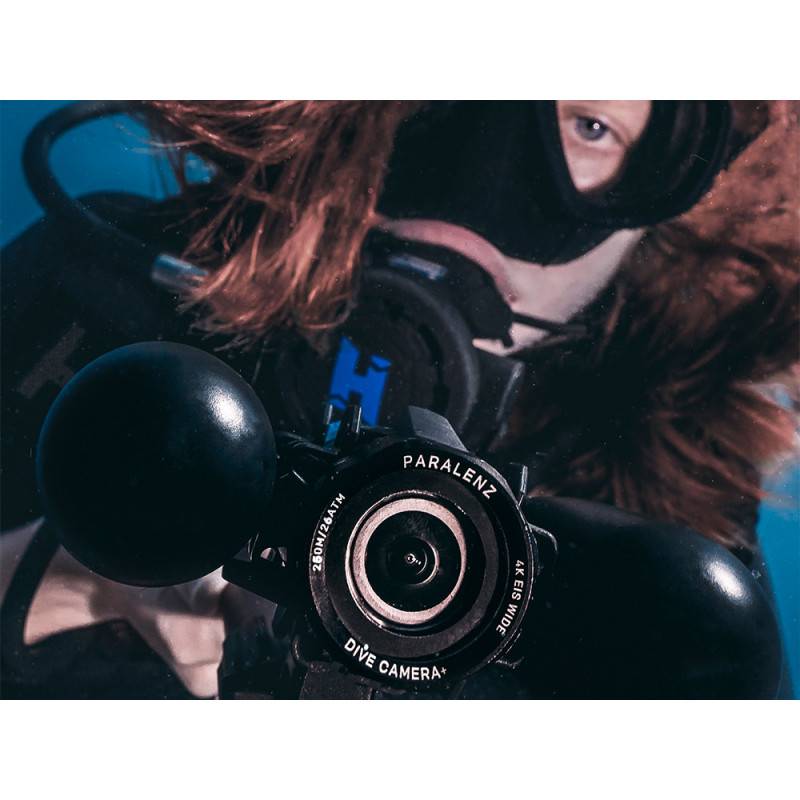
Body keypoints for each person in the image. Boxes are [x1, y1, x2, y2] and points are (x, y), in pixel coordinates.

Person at [1, 100, 797, 699]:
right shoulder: (92, 291)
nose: (486, 178)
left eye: (591, 126)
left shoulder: (667, 539)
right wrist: (51, 580)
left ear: (666, 202)